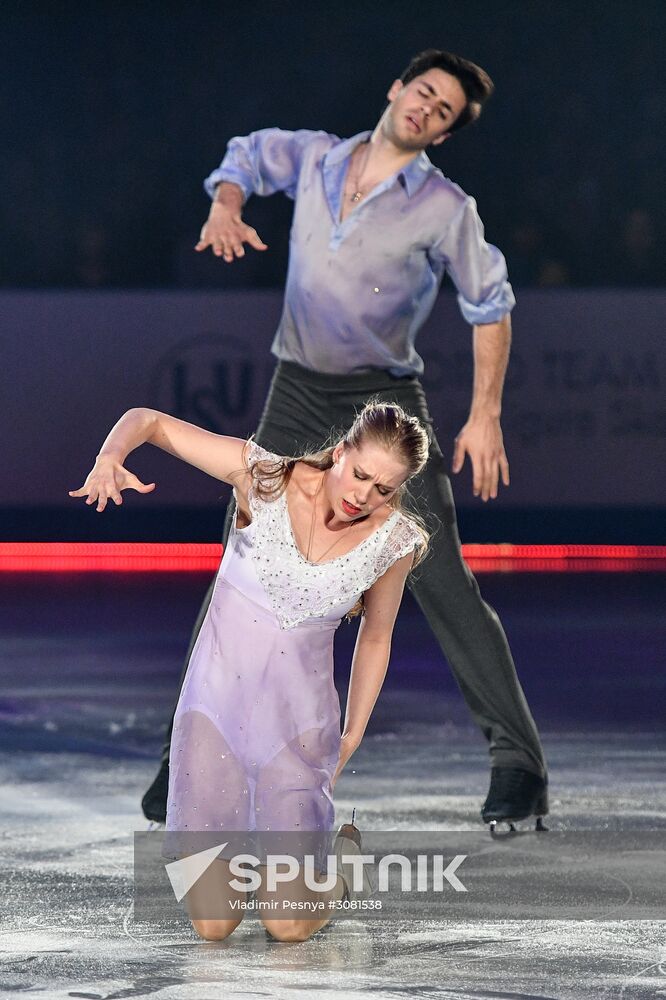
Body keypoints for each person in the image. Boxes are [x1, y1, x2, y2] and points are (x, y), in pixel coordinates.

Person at [143, 47, 549, 831]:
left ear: (444, 132)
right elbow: (246, 156)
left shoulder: (442, 206)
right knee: (245, 557)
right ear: (397, 88)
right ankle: (185, 755)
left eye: (444, 112)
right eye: (423, 93)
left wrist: (486, 411)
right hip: (298, 387)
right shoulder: (319, 158)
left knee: (438, 580)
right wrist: (227, 202)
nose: (426, 110)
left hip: (383, 400)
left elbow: (490, 302)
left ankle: (518, 761)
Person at [70, 400, 430, 941]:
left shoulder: (393, 539)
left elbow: (376, 636)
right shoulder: (264, 479)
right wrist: (109, 456)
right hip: (215, 716)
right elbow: (153, 422)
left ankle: (337, 875)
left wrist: (352, 733)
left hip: (297, 730)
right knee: (214, 926)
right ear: (340, 454)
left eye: (383, 488)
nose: (363, 496)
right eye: (359, 475)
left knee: (286, 927)